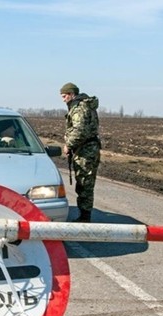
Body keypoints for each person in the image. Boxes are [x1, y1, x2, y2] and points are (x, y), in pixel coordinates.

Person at [60, 82, 101, 222]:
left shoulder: (79, 109)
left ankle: (84, 218)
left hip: (85, 152)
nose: (63, 99)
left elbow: (79, 130)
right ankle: (84, 215)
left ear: (72, 94)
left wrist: (69, 145)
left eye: (65, 96)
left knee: (84, 185)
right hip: (87, 149)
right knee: (85, 184)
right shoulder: (84, 106)